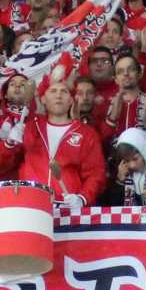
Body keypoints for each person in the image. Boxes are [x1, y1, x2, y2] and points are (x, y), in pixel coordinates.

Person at [19, 75, 107, 211]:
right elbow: (2, 166)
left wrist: (82, 198)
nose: (58, 95)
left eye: (64, 91)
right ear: (43, 99)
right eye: (53, 91)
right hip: (32, 205)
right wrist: (9, 143)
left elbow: (96, 174)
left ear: (71, 100)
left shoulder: (86, 133)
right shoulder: (30, 127)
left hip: (68, 208)